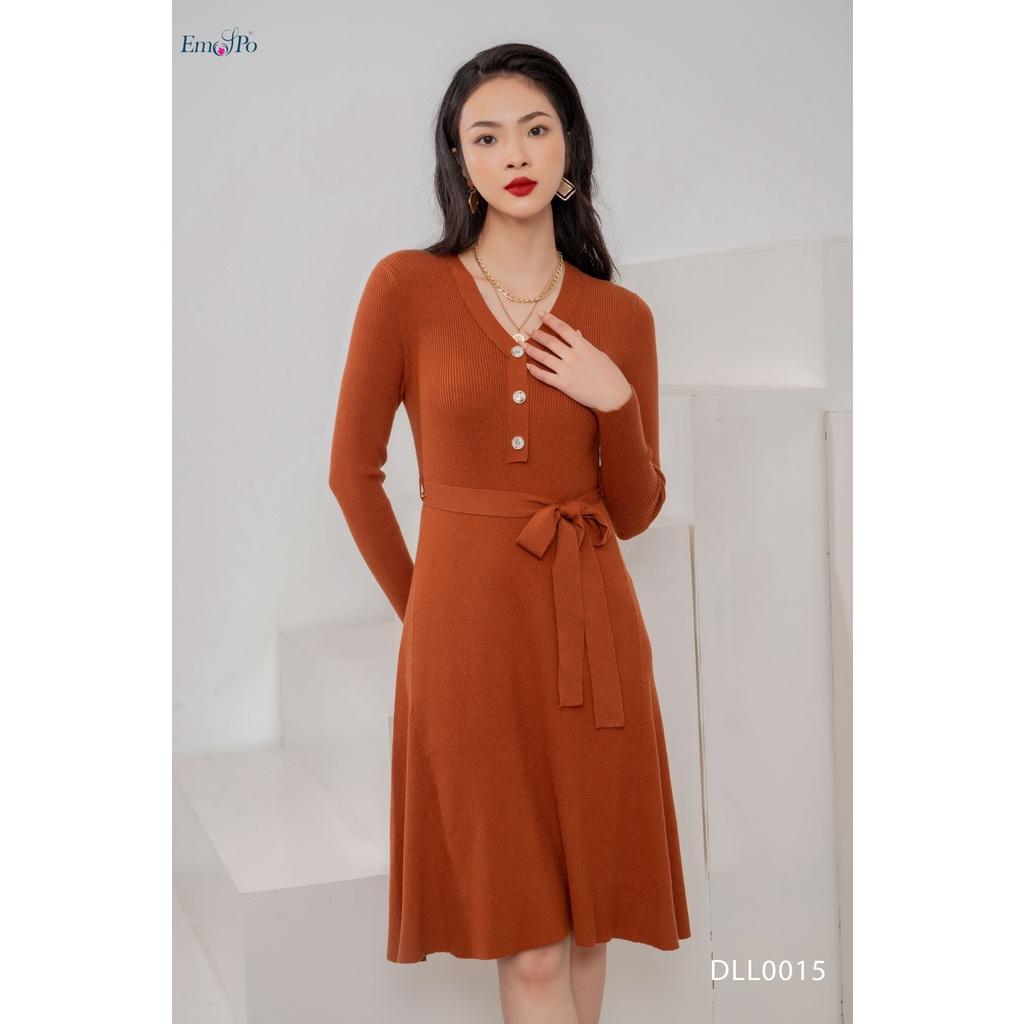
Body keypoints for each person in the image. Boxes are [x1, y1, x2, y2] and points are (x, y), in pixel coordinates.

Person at [329, 42, 691, 1024]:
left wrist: (616, 403)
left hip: (595, 641)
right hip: (468, 649)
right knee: (529, 948)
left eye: (535, 129)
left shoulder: (621, 317)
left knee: (587, 934)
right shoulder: (405, 287)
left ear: (569, 149)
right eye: (485, 137)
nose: (514, 153)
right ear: (459, 161)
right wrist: (427, 615)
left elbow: (633, 512)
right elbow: (351, 475)